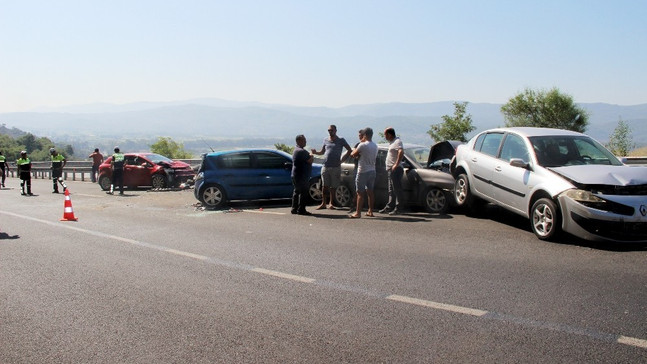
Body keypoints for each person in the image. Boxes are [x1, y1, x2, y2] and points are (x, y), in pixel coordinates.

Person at [311, 125, 352, 210]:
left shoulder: (341, 140)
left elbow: (349, 150)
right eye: (329, 130)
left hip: (336, 167)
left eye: (331, 130)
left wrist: (342, 160)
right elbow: (322, 152)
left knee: (333, 186)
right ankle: (323, 203)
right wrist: (315, 152)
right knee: (324, 186)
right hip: (326, 165)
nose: (330, 132)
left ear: (335, 130)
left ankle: (331, 203)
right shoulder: (326, 140)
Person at [349, 127, 378, 218]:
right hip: (372, 170)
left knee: (360, 193)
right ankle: (370, 211)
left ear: (364, 135)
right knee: (370, 192)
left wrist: (355, 150)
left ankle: (358, 212)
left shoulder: (362, 145)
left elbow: (353, 154)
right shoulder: (375, 146)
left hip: (362, 171)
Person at [379, 127, 405, 215]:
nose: (385, 137)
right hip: (391, 169)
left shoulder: (397, 141)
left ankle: (399, 208)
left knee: (397, 189)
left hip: (396, 169)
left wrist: (396, 164)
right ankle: (389, 206)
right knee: (391, 190)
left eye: (385, 135)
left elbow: (401, 152)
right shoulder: (392, 143)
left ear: (389, 134)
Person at [291, 134, 314, 216]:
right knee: (303, 192)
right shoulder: (301, 151)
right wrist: (312, 154)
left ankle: (294, 208)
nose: (305, 142)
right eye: (303, 140)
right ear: (298, 141)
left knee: (297, 191)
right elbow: (310, 160)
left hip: (296, 174)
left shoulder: (296, 150)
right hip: (301, 175)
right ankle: (301, 209)